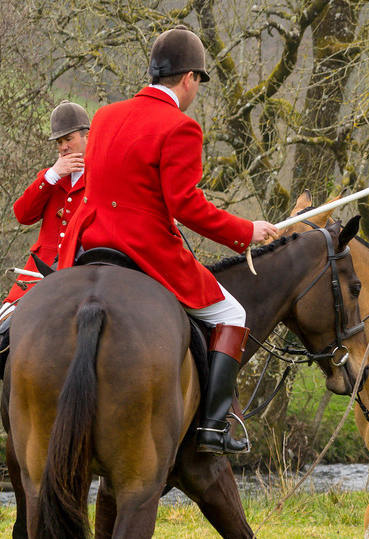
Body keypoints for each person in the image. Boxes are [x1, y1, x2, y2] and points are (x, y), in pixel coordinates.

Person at [57, 25, 279, 455]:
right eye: (198, 82)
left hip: (87, 242)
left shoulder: (103, 116)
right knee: (233, 313)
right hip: (144, 248)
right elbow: (186, 206)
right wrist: (246, 231)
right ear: (189, 79)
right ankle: (214, 427)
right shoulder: (181, 127)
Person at [0, 101, 91, 436]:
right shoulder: (51, 177)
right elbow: (22, 214)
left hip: (80, 268)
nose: (63, 146)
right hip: (38, 270)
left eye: (68, 139)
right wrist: (52, 175)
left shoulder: (102, 176)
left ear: (86, 136)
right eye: (58, 142)